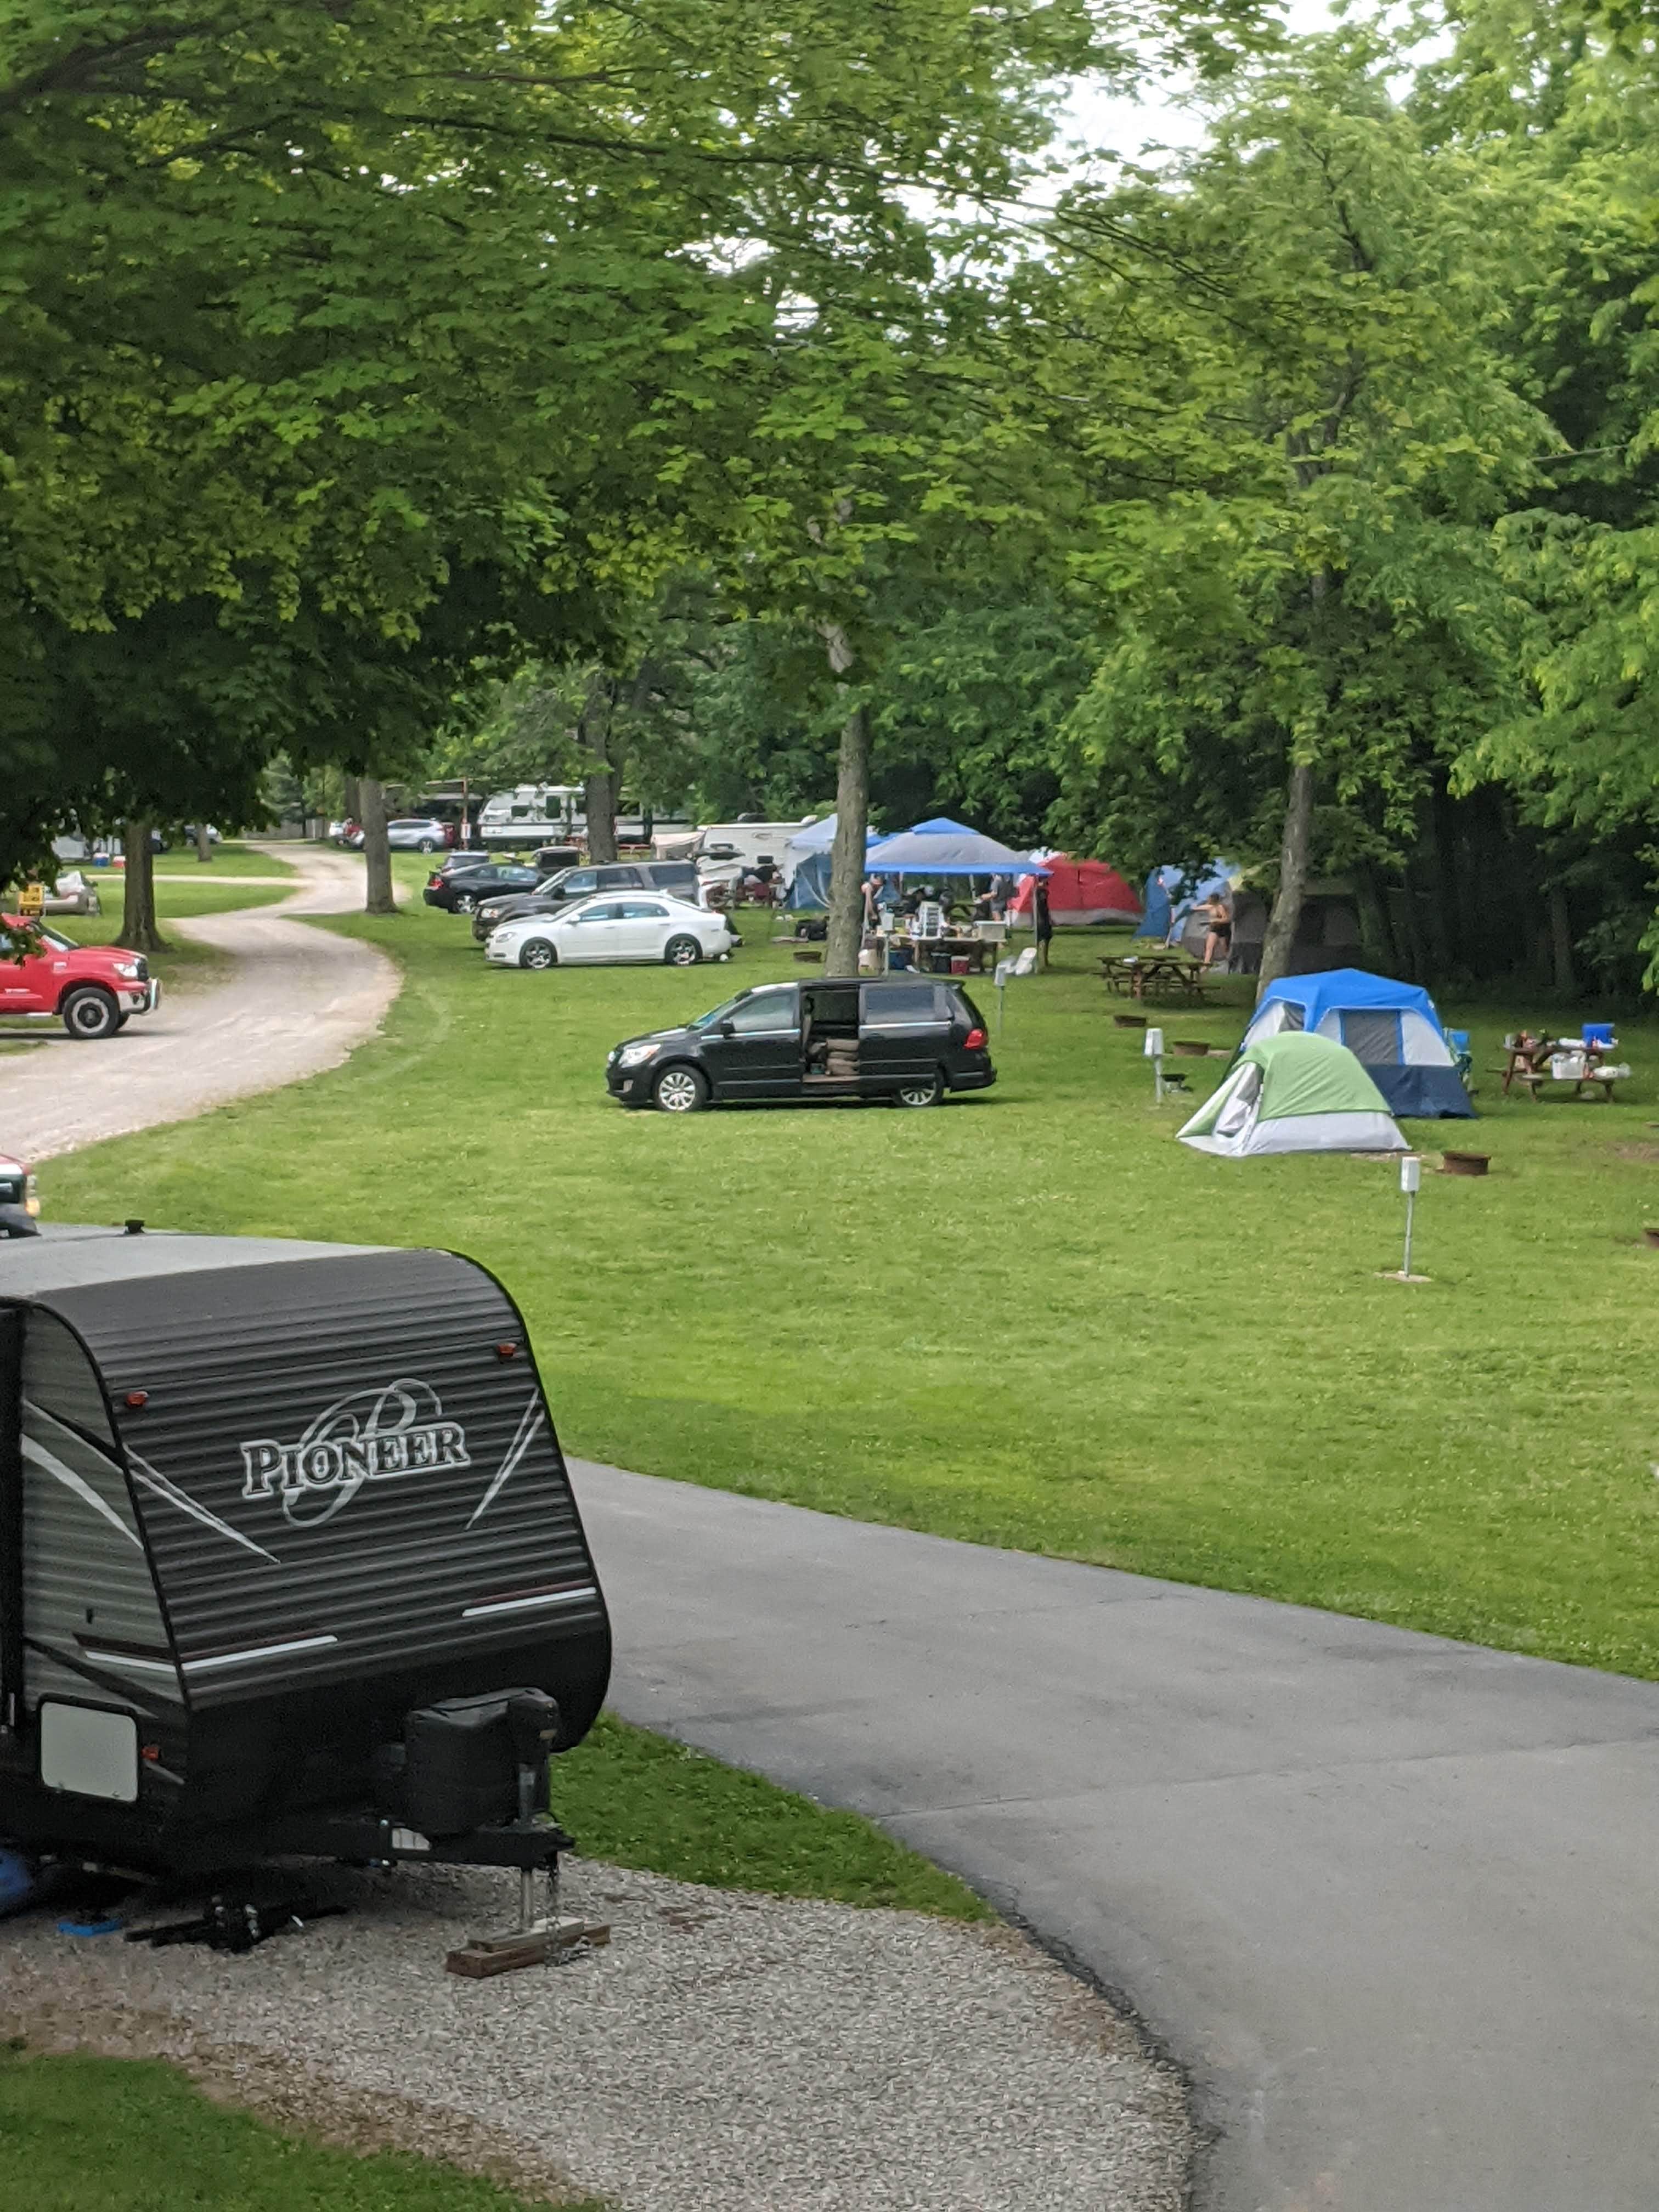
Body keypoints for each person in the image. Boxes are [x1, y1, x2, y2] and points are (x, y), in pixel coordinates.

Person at [1202, 892, 1232, 970]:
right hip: (1214, 929)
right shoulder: (1210, 908)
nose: (1208, 900)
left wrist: (1216, 920)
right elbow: (1202, 908)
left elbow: (1226, 919)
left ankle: (1229, 963)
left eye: (1209, 899)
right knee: (1209, 947)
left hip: (1223, 930)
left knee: (1224, 948)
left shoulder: (1220, 907)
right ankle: (1206, 965)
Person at [1032, 874, 1053, 970]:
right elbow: (1042, 906)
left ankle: (1044, 960)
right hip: (1042, 919)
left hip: (1042, 917)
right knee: (1043, 939)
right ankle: (1042, 960)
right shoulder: (1040, 890)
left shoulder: (1040, 890)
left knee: (1044, 939)